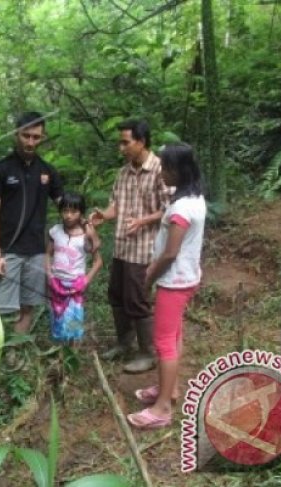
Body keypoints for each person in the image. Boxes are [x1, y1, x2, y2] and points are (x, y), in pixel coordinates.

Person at [127, 143, 206, 429]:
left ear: (178, 170)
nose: (161, 173)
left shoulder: (182, 208)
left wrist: (149, 277)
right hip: (187, 277)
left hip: (174, 282)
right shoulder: (194, 196)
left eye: (165, 168)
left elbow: (170, 253)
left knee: (163, 343)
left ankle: (161, 410)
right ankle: (168, 390)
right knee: (173, 337)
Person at [90, 120, 170, 373]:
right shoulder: (123, 172)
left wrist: (144, 220)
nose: (121, 147)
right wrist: (104, 215)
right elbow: (116, 205)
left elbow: (169, 208)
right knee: (116, 295)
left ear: (142, 141)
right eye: (120, 142)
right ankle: (124, 343)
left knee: (137, 300)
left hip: (144, 249)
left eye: (126, 142)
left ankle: (148, 353)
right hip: (122, 247)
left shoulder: (160, 169)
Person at [0, 112, 63, 334]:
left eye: (36, 137)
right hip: (7, 250)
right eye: (26, 136)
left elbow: (66, 207)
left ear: (42, 137)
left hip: (36, 250)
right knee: (1, 307)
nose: (30, 142)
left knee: (27, 306)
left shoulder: (48, 171)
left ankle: (14, 352)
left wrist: (87, 227)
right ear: (15, 134)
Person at [45, 192, 103, 344]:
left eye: (73, 211)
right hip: (56, 283)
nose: (68, 215)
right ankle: (60, 354)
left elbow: (98, 261)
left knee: (74, 319)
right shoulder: (55, 231)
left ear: (81, 213)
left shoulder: (85, 235)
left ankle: (74, 353)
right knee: (57, 318)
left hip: (75, 285)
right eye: (65, 211)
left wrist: (85, 280)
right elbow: (48, 254)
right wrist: (50, 275)